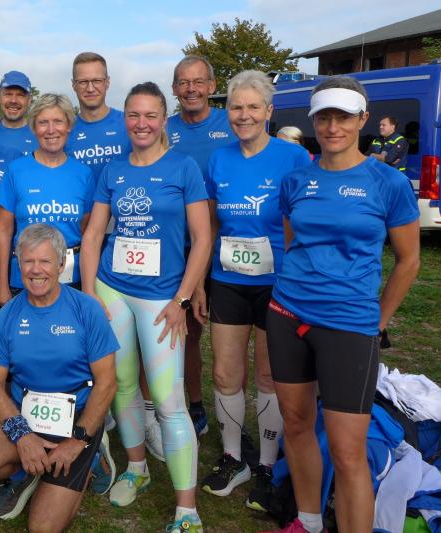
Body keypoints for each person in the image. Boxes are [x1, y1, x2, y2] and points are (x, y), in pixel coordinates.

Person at [264, 76, 420, 533]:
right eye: (325, 117)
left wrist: (379, 320)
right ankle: (309, 520)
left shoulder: (387, 182)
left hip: (350, 325)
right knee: (296, 423)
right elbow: (293, 243)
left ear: (363, 119)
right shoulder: (296, 180)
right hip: (287, 315)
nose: (333, 127)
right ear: (314, 120)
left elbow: (409, 261)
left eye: (344, 117)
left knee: (347, 450)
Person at [80, 81, 212, 532]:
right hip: (113, 289)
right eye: (134, 115)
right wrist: (89, 293)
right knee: (121, 383)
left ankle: (187, 510)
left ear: (163, 119)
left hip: (162, 297)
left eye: (150, 115)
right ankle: (136, 467)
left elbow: (202, 239)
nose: (141, 123)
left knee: (169, 400)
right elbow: (94, 234)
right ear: (125, 120)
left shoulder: (183, 167)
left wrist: (182, 298)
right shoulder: (114, 169)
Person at [198, 71, 311, 513]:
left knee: (267, 376)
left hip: (277, 283)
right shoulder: (218, 159)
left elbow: (304, 220)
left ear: (268, 111)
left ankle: (265, 463)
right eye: (235, 107)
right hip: (228, 280)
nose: (243, 115)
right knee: (225, 374)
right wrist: (202, 280)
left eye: (252, 107)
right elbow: (211, 223)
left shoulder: (293, 157)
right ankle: (233, 458)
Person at [0, 224, 119, 529]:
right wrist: (22, 436)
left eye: (45, 261)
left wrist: (78, 439)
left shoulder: (86, 309)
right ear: (18, 265)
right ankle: (25, 473)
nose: (35, 270)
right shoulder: (8, 315)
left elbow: (107, 382)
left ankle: (92, 455)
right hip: (26, 417)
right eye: (28, 261)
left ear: (61, 264)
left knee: (42, 527)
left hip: (76, 421)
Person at [167, 55, 239, 440]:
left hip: (229, 250)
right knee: (189, 332)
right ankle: (194, 403)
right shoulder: (165, 129)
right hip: (180, 249)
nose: (191, 89)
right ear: (174, 89)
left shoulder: (232, 124)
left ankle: (233, 410)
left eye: (198, 82)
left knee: (231, 337)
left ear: (212, 86)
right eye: (183, 82)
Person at [0, 93, 94, 304]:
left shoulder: (83, 174)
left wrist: (88, 286)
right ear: (33, 127)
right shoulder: (15, 170)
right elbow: (3, 231)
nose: (51, 130)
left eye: (58, 121)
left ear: (69, 126)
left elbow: (86, 231)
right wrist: (2, 284)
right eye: (43, 122)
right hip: (24, 278)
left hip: (72, 280)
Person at [66, 52, 130, 179]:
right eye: (83, 82)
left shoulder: (129, 124)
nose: (90, 89)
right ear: (73, 85)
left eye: (97, 81)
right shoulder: (64, 131)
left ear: (107, 82)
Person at [0, 71, 37, 155]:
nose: (13, 100)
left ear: (29, 100)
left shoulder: (43, 134)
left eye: (20, 95)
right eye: (8, 94)